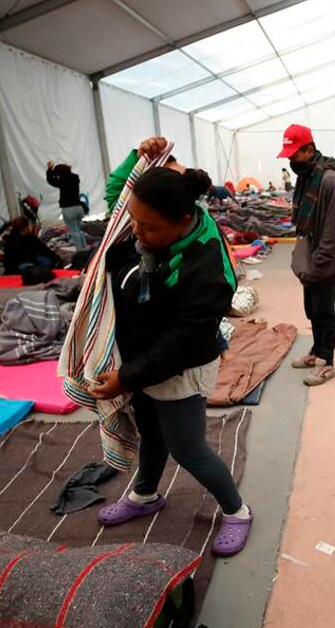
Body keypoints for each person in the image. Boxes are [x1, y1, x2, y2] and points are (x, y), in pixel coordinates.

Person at [87, 156, 252, 557]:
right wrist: (136, 158)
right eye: (135, 222)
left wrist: (126, 378)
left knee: (187, 447)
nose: (137, 233)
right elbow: (117, 200)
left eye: (149, 227)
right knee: (152, 432)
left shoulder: (207, 270)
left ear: (182, 221)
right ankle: (145, 494)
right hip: (144, 359)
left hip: (181, 365)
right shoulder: (159, 230)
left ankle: (237, 510)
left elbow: (182, 343)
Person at [280, 124, 335, 386]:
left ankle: (326, 362)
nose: (291, 160)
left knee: (325, 312)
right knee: (312, 310)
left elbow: (333, 229)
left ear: (309, 149)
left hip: (325, 258)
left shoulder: (329, 180)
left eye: (295, 154)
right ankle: (317, 351)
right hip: (310, 252)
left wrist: (318, 263)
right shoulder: (306, 176)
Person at [46, 161, 87, 251]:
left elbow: (51, 180)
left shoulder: (63, 181)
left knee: (73, 230)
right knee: (79, 229)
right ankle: (85, 247)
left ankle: (80, 250)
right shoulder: (75, 178)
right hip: (79, 207)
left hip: (68, 208)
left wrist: (49, 170)